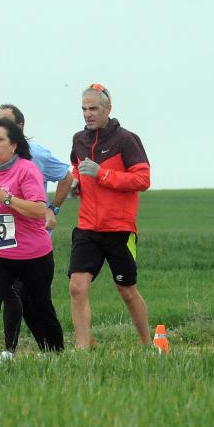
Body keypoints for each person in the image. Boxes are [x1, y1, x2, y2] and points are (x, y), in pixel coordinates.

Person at [0, 105, 73, 357]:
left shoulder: (28, 169)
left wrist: (8, 199)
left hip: (32, 255)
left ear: (13, 145)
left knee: (40, 306)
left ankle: (56, 354)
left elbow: (39, 210)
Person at [68, 83, 151, 349]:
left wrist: (102, 174)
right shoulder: (79, 140)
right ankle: (82, 350)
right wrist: (75, 182)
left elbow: (143, 179)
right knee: (77, 286)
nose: (88, 114)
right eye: (84, 109)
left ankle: (147, 345)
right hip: (87, 227)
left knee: (127, 291)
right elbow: (76, 166)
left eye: (93, 108)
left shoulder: (126, 140)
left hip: (119, 228)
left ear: (108, 109)